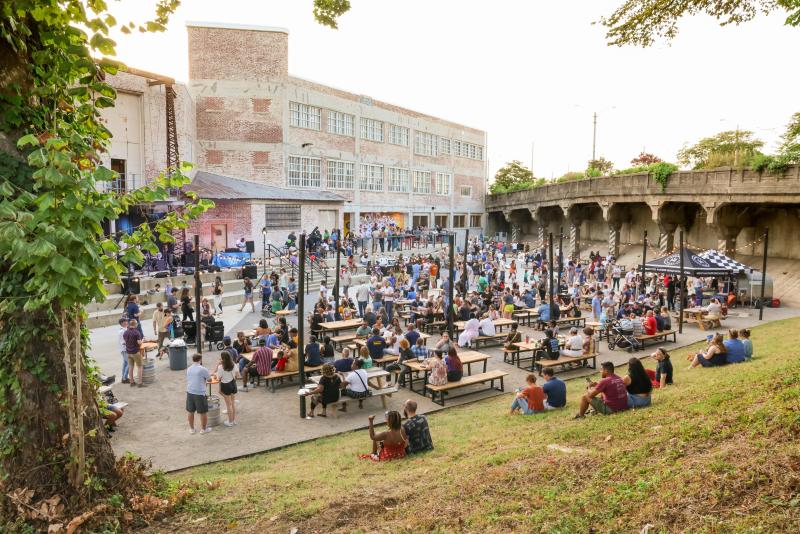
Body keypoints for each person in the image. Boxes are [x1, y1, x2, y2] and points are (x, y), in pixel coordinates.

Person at [186, 353, 211, 434]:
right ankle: (203, 429)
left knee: (190, 411)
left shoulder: (189, 369)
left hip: (190, 391)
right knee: (203, 412)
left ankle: (192, 429)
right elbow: (209, 379)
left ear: (193, 360)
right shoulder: (203, 369)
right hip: (199, 393)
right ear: (200, 359)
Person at [214, 350, 240, 427]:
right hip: (233, 384)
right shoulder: (233, 364)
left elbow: (218, 378)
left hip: (225, 385)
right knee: (232, 403)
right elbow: (238, 375)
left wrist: (215, 375)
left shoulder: (221, 367)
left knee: (228, 405)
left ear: (222, 358)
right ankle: (233, 420)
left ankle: (230, 422)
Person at [123, 319, 144, 387]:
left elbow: (125, 341)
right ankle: (140, 383)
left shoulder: (125, 332)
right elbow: (139, 343)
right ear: (135, 324)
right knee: (140, 367)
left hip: (128, 352)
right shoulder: (136, 332)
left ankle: (131, 382)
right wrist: (142, 340)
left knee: (131, 367)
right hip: (135, 352)